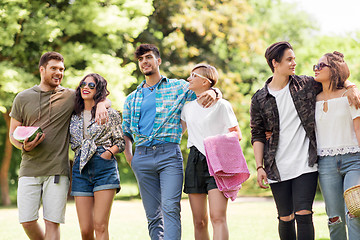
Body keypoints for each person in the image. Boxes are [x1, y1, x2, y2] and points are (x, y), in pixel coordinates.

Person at [250, 41, 360, 240]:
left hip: (306, 164)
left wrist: (351, 86)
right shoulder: (260, 98)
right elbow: (257, 134)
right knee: (285, 217)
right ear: (275, 63)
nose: (294, 63)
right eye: (289, 59)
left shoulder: (306, 84)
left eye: (294, 59)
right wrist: (259, 166)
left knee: (304, 214)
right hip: (276, 165)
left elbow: (335, 78)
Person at [122, 44, 219, 240]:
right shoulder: (132, 98)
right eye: (141, 59)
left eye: (148, 57)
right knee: (152, 214)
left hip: (169, 156)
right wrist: (129, 156)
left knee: (170, 208)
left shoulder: (178, 87)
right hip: (141, 157)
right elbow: (126, 130)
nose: (144, 62)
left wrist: (216, 93)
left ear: (158, 61)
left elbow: (205, 88)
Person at [9, 52, 108, 240]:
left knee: (52, 223)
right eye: (54, 68)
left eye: (61, 69)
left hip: (57, 170)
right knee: (27, 222)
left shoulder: (71, 96)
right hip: (29, 169)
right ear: (42, 69)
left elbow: (95, 94)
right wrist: (24, 147)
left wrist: (102, 103)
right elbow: (13, 134)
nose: (58, 72)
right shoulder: (22, 98)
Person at [180, 64, 242, 240]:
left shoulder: (222, 105)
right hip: (194, 161)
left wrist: (214, 143)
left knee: (217, 217)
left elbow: (237, 134)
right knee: (199, 221)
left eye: (194, 75)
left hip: (217, 162)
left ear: (205, 81)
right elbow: (178, 133)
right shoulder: (187, 108)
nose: (189, 79)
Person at [69, 73, 125, 240]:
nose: (86, 87)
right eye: (83, 84)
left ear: (99, 89)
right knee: (85, 230)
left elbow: (120, 142)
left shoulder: (110, 113)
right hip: (80, 170)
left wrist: (108, 153)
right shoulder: (72, 116)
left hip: (104, 168)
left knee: (100, 225)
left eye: (91, 85)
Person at [313, 51, 360, 240]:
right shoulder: (311, 98)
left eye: (320, 65)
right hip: (325, 164)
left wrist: (351, 85)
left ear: (334, 70)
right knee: (334, 218)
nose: (315, 69)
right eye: (315, 66)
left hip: (353, 160)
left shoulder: (351, 96)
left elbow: (358, 129)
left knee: (354, 212)